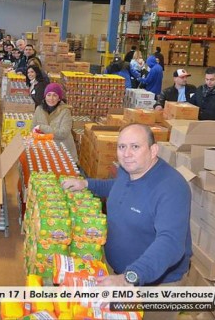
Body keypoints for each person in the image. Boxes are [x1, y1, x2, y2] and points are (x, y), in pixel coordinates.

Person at [61, 124, 191, 307]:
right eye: (122, 147)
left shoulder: (171, 188)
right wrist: (86, 184)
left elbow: (170, 243)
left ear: (153, 150)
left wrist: (128, 278)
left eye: (135, 146)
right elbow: (116, 188)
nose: (127, 153)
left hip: (153, 284)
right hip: (119, 273)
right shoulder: (128, 170)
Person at [32, 83, 78, 162]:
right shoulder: (39, 109)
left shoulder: (65, 111)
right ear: (45, 96)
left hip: (63, 154)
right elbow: (33, 129)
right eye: (49, 95)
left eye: (55, 95)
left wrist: (42, 128)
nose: (51, 98)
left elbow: (63, 133)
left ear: (59, 98)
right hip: (45, 151)